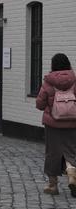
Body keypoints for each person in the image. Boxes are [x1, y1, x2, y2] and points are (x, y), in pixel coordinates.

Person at [35, 52, 76, 196]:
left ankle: (53, 186)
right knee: (71, 151)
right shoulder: (74, 80)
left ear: (53, 65)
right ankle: (71, 172)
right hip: (72, 123)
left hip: (52, 124)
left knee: (52, 153)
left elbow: (40, 104)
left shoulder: (48, 82)